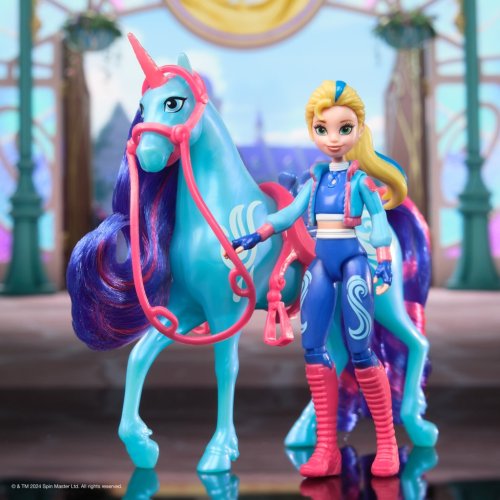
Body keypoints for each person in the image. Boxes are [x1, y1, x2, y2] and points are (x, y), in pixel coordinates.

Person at [232, 80, 407, 478]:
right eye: (322, 129)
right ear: (313, 130)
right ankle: (326, 448)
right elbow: (288, 214)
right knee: (313, 348)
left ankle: (387, 444)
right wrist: (257, 234)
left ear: (358, 130)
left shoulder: (360, 182)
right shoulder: (314, 181)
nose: (333, 138)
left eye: (344, 128)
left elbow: (379, 222)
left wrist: (383, 259)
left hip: (354, 262)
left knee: (360, 350)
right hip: (322, 265)